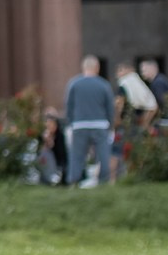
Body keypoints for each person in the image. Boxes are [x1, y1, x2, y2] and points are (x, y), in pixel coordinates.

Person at [63, 56, 116, 189]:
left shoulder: (74, 84)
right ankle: (104, 181)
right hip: (100, 124)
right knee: (103, 154)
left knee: (77, 155)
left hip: (80, 124)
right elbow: (110, 107)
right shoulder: (104, 85)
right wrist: (110, 123)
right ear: (97, 67)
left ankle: (74, 182)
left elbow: (69, 105)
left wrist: (71, 122)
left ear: (83, 67)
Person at [38, 110, 68, 186]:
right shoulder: (42, 136)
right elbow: (40, 153)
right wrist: (46, 142)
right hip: (47, 164)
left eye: (52, 123)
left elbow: (62, 154)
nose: (50, 126)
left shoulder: (60, 136)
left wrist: (52, 144)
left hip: (58, 165)